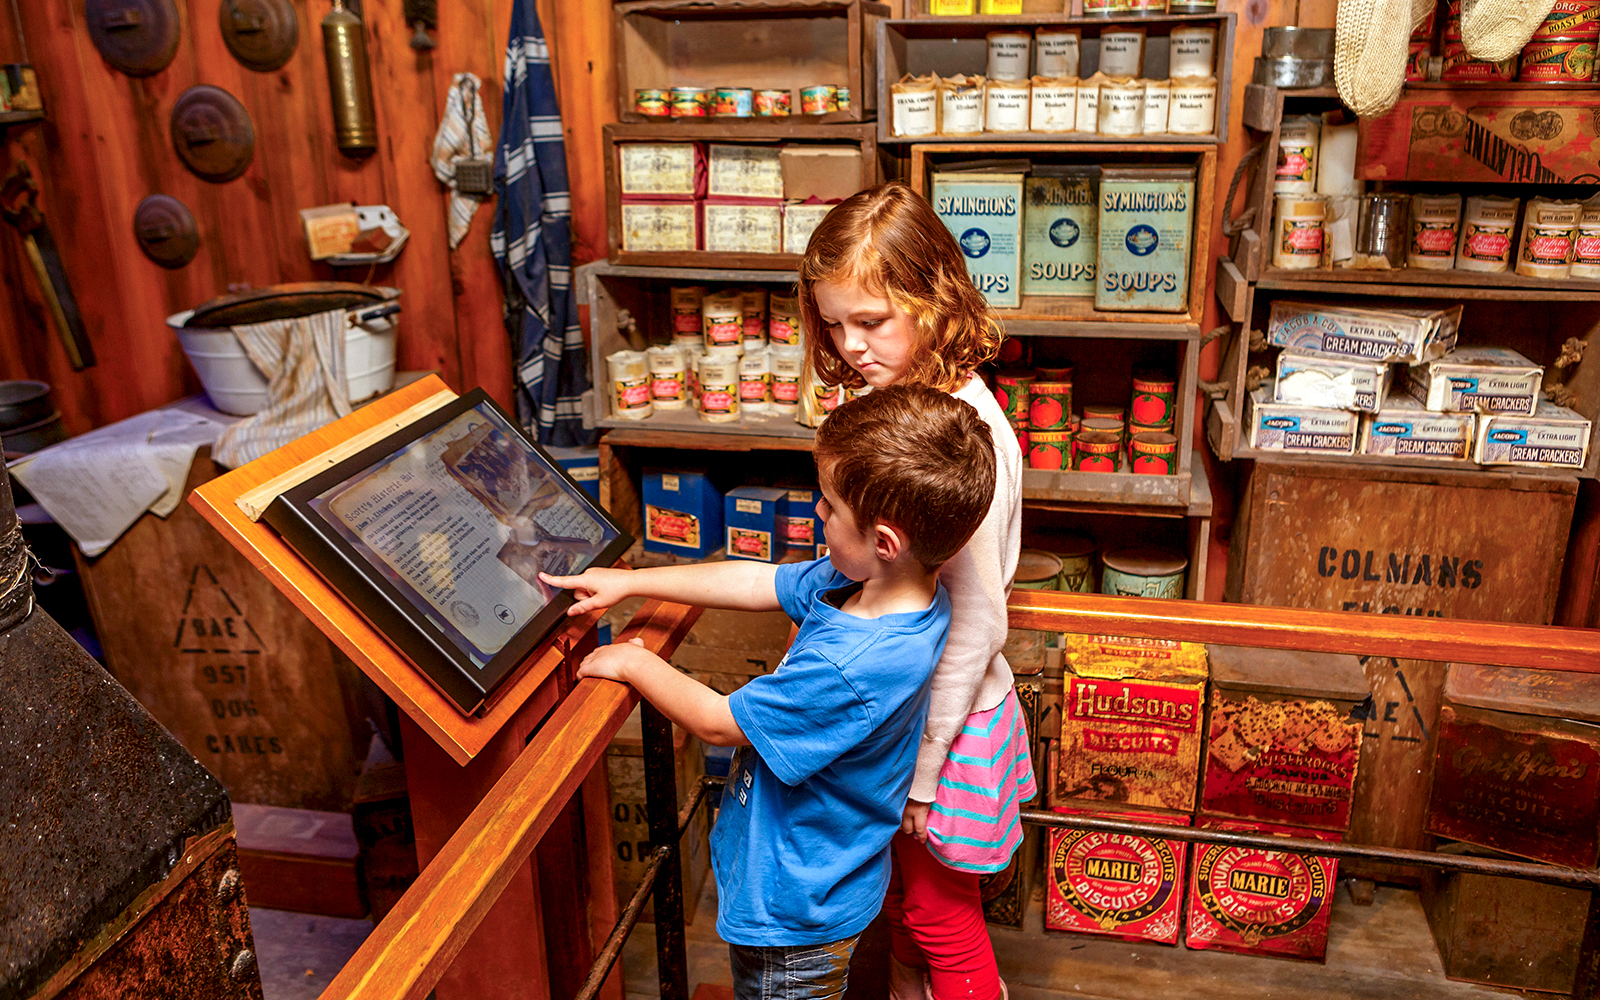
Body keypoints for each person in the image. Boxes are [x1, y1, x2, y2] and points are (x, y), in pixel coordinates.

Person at [540, 384, 997, 1000]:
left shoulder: (853, 663)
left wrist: (633, 661)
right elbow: (761, 580)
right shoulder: (878, 587)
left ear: (885, 542)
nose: (817, 515)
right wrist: (630, 583)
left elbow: (718, 722)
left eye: (830, 508)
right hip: (813, 874)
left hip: (795, 917)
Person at [800, 181, 1032, 1000]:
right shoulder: (899, 399)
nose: (851, 344)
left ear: (935, 300)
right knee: (902, 901)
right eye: (834, 323)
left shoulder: (960, 436)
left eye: (871, 322)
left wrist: (927, 770)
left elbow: (975, 623)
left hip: (948, 727)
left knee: (939, 914)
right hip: (903, 710)